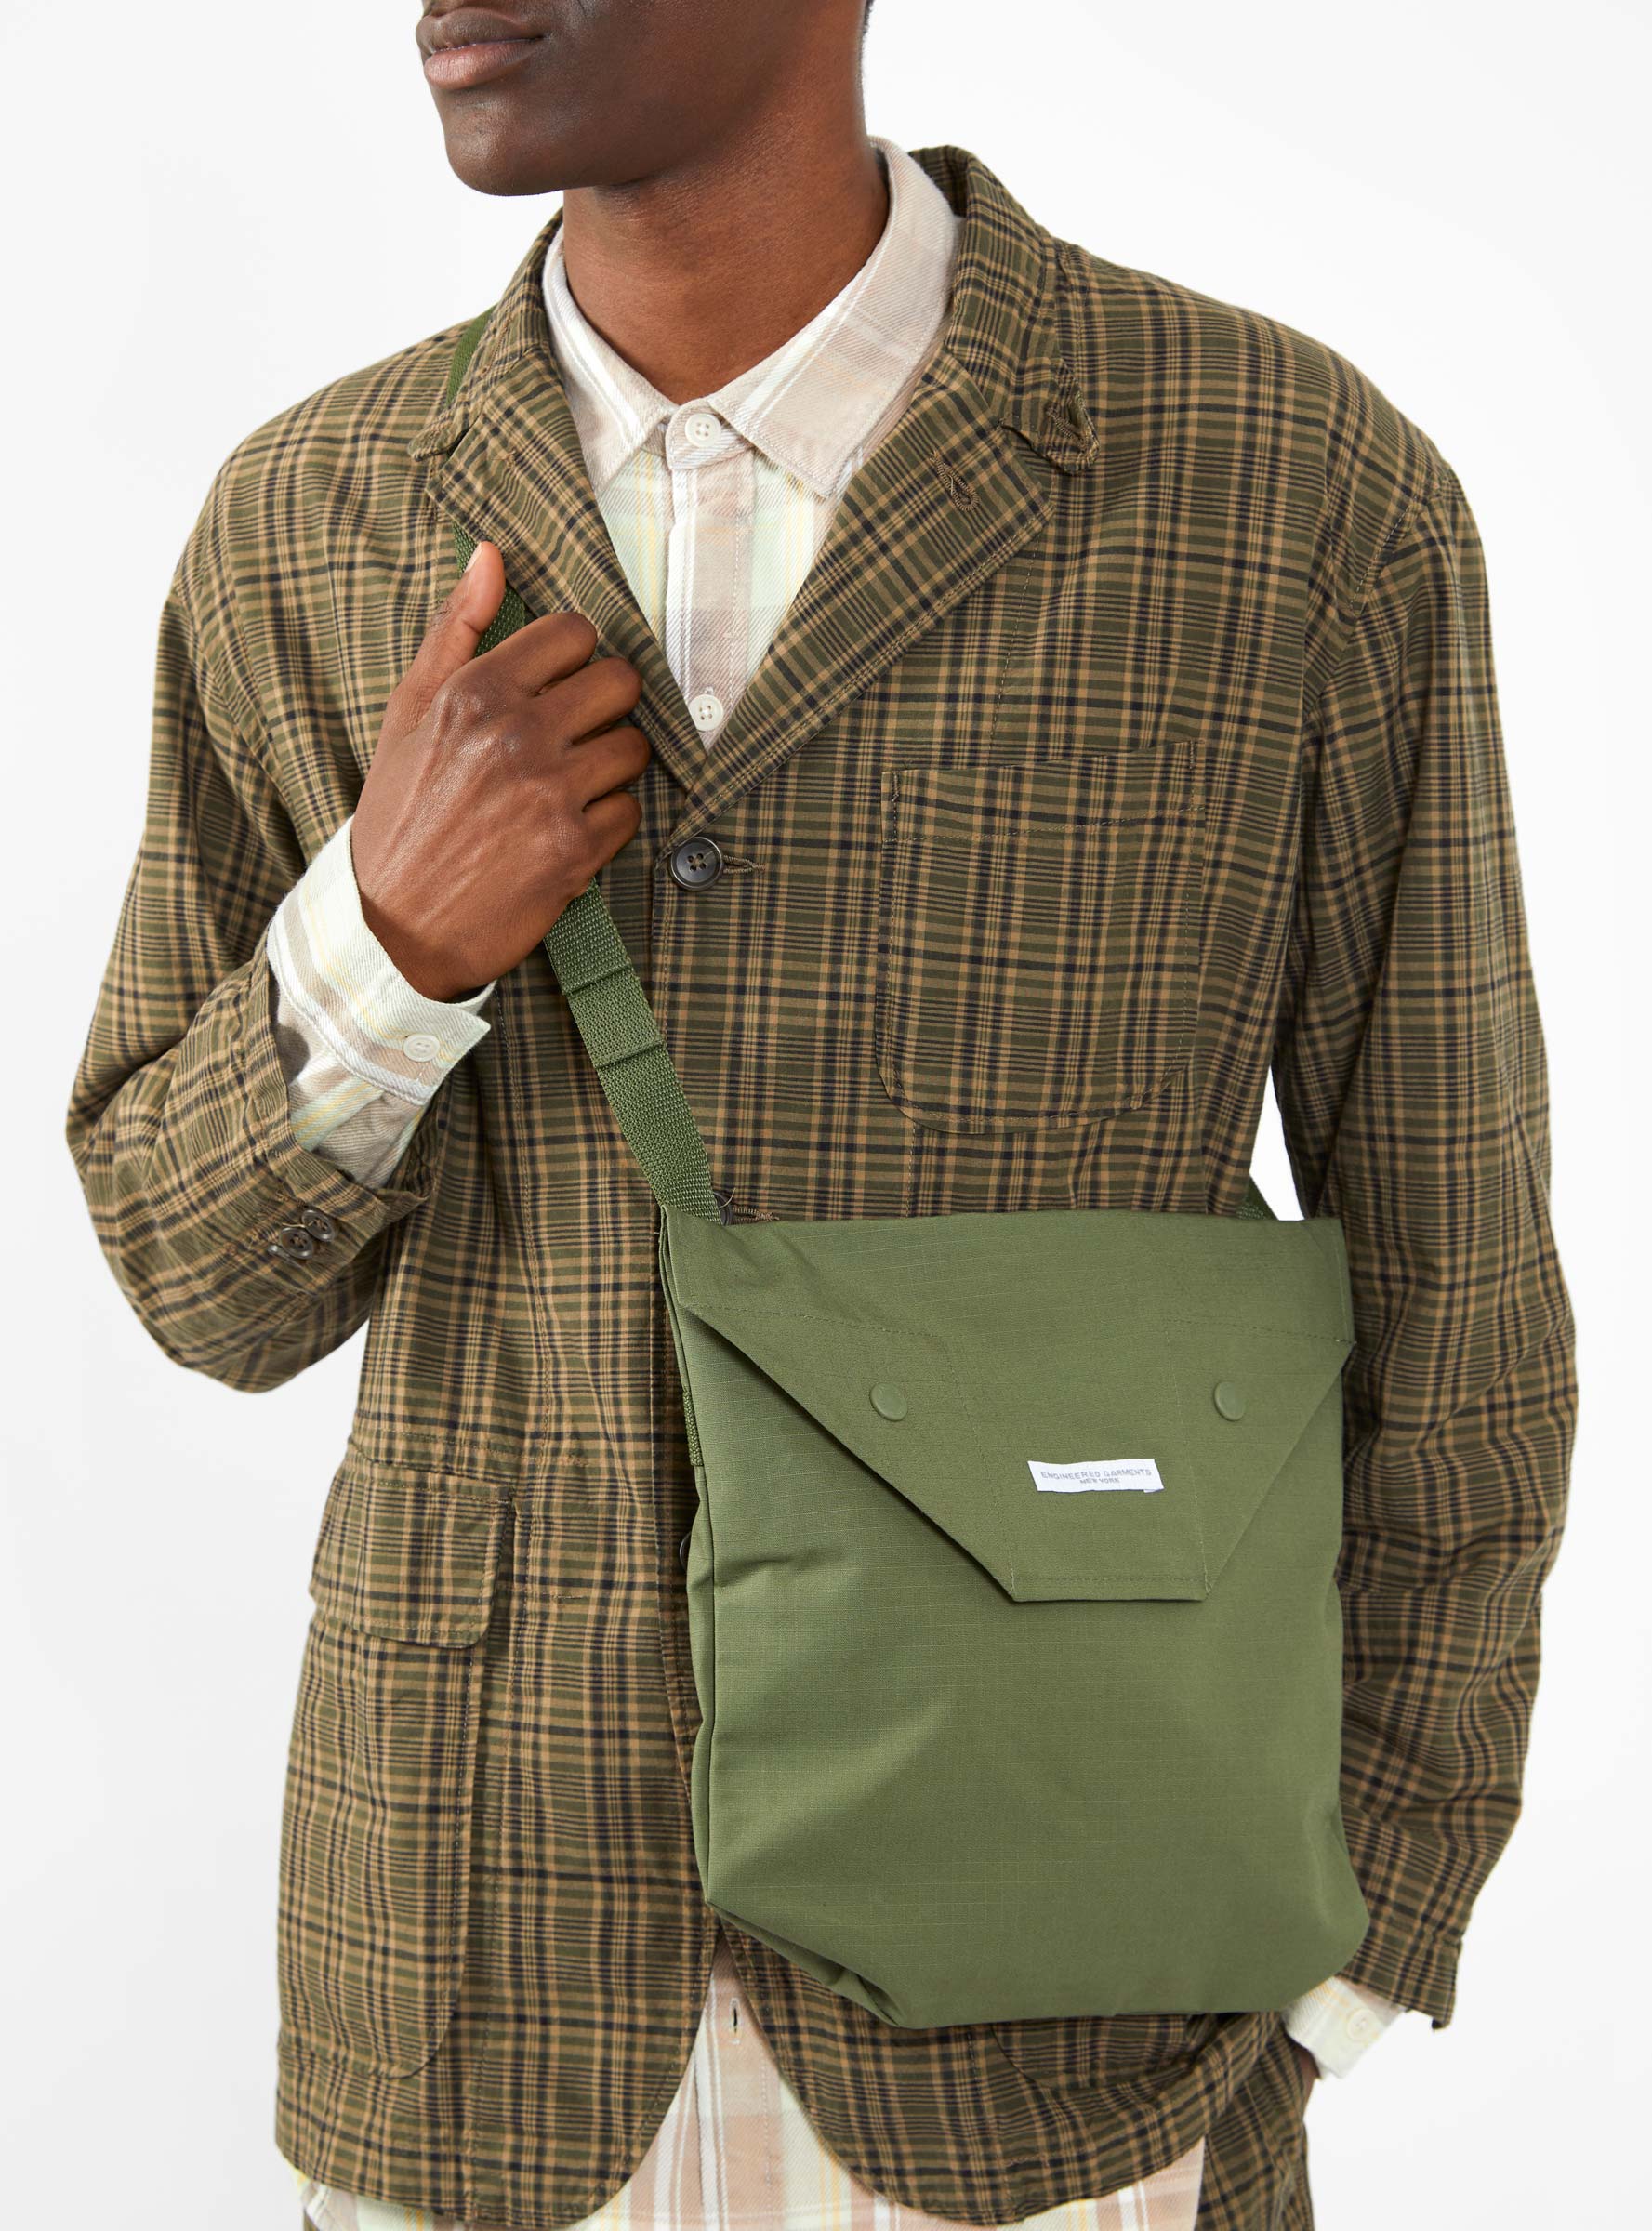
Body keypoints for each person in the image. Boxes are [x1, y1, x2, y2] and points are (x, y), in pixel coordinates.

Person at [63, 2, 1577, 2227]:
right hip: (479, 2000)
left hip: (1080, 2014)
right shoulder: (312, 519)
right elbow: (195, 1281)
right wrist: (381, 945)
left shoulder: (1283, 492)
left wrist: (1357, 1933)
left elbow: (1460, 1293)